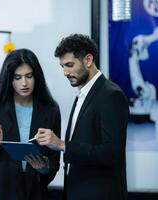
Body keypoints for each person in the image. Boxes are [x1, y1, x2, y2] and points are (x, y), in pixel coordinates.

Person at [35, 34, 129, 200]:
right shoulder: (82, 95)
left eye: (70, 65)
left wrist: (62, 144)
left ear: (88, 60)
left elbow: (112, 153)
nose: (65, 72)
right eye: (62, 66)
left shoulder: (111, 95)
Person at [0, 48, 61, 200]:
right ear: (9, 79)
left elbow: (54, 162)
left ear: (37, 77)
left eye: (29, 76)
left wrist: (44, 167)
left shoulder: (50, 110)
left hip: (34, 192)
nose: (24, 83)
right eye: (17, 77)